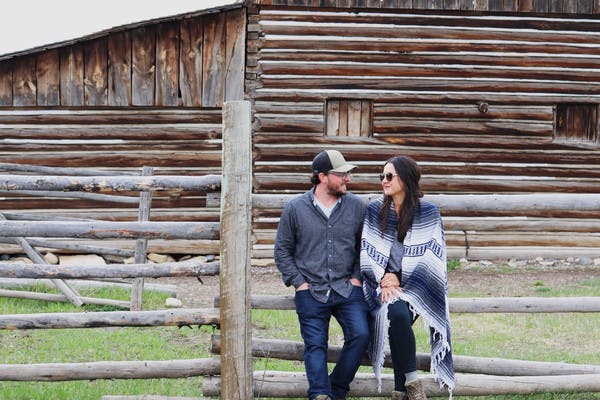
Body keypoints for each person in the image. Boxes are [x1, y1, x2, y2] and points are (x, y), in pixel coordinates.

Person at [274, 149, 370, 400]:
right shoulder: (295, 209)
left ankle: (336, 391)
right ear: (322, 177)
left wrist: (357, 277)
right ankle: (319, 395)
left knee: (360, 335)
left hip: (347, 289)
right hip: (310, 290)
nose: (348, 179)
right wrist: (298, 283)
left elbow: (365, 247)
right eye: (342, 174)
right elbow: (282, 250)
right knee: (315, 345)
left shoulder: (358, 207)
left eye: (348, 174)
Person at [360, 156, 455, 400]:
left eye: (389, 176)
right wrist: (383, 279)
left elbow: (431, 259)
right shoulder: (375, 210)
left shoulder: (428, 213)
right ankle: (412, 384)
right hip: (381, 286)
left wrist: (398, 278)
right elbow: (367, 252)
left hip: (418, 287)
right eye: (381, 176)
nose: (384, 181)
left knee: (399, 314)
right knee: (397, 314)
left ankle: (400, 391)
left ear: (405, 178)